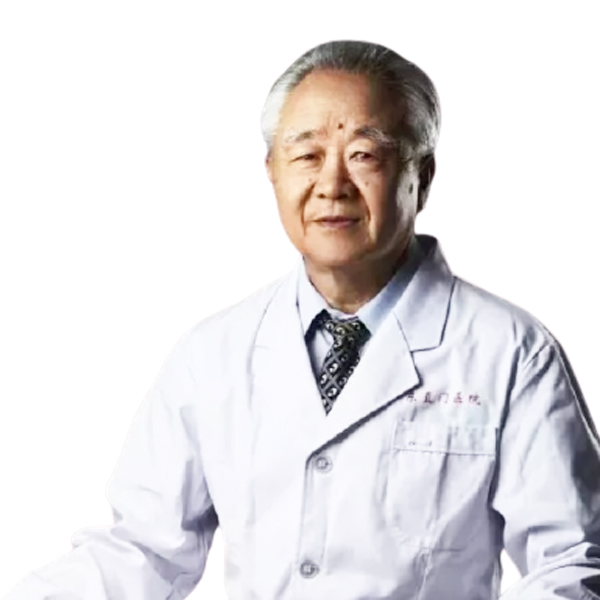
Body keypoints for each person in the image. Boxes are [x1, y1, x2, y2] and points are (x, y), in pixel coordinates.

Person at [4, 39, 600, 600]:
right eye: (307, 155)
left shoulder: (510, 353)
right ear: (272, 170)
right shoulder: (214, 355)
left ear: (422, 176)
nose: (332, 185)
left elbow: (571, 564)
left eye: (364, 155)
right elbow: (143, 551)